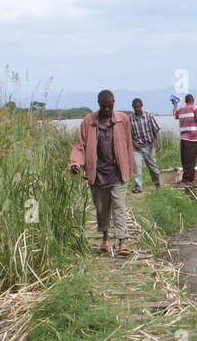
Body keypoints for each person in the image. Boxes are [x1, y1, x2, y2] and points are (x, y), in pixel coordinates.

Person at [69, 90, 136, 256]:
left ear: (114, 103)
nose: (107, 109)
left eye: (110, 105)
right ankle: (105, 239)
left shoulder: (123, 120)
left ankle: (122, 243)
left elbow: (128, 144)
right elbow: (80, 145)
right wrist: (76, 163)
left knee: (119, 206)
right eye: (104, 106)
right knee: (102, 209)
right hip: (98, 173)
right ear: (98, 104)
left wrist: (129, 168)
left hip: (118, 172)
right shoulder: (88, 122)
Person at [129, 97, 161, 193]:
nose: (137, 109)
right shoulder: (130, 118)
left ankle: (158, 184)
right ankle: (138, 188)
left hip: (149, 146)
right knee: (138, 168)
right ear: (133, 107)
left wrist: (157, 142)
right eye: (135, 107)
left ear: (141, 106)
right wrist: (134, 143)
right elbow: (128, 134)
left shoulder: (149, 115)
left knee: (153, 167)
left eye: (138, 107)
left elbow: (156, 129)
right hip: (137, 148)